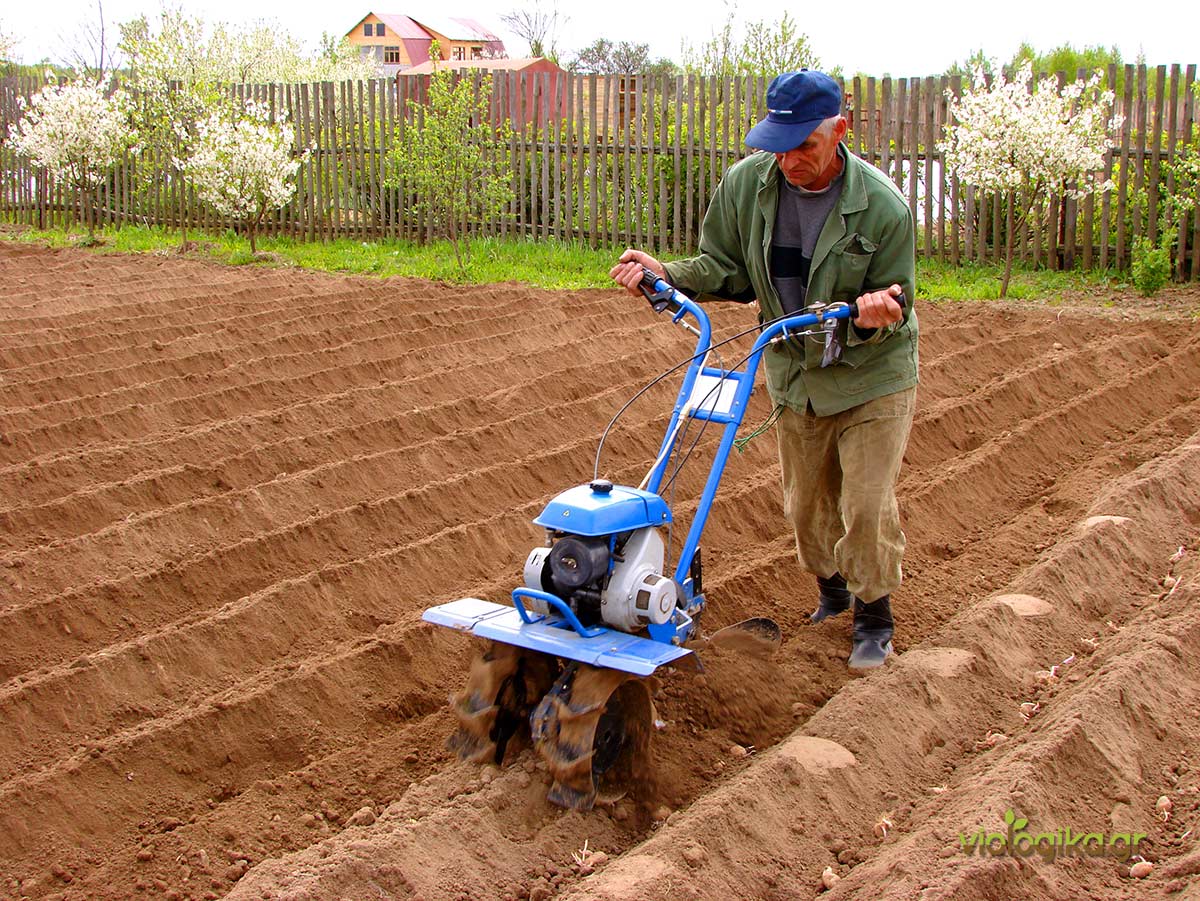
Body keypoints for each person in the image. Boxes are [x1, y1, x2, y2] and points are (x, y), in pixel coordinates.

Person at [610, 70, 918, 669]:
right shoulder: (747, 186)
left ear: (840, 132)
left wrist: (883, 309)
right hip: (795, 372)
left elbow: (901, 302)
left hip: (869, 373)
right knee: (804, 508)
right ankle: (831, 593)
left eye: (804, 145)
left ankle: (873, 617)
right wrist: (668, 274)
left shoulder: (882, 207)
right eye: (780, 144)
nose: (789, 159)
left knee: (865, 501)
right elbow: (725, 267)